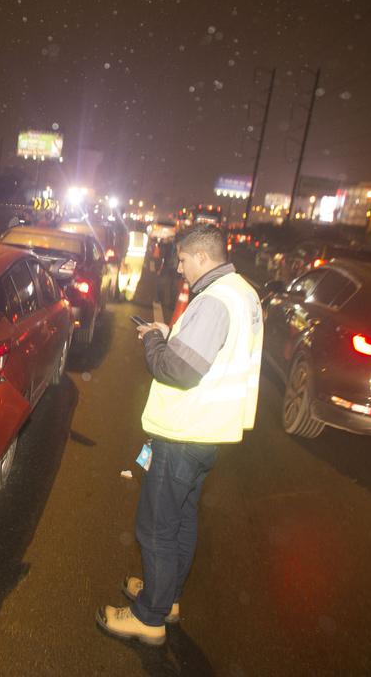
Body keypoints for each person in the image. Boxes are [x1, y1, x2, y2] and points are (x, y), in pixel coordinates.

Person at [95, 223, 262, 647]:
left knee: (155, 528)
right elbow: (209, 354)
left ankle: (148, 616)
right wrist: (172, 337)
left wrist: (153, 340)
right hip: (209, 431)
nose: (181, 268)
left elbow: (178, 370)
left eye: (184, 260)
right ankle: (165, 598)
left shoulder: (215, 300)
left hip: (185, 430)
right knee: (182, 520)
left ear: (201, 256)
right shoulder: (242, 292)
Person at [154, 236, 181, 323]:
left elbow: (162, 255)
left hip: (170, 266)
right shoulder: (176, 247)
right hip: (171, 266)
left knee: (167, 283)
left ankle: (163, 299)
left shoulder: (170, 245)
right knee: (170, 284)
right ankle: (168, 301)